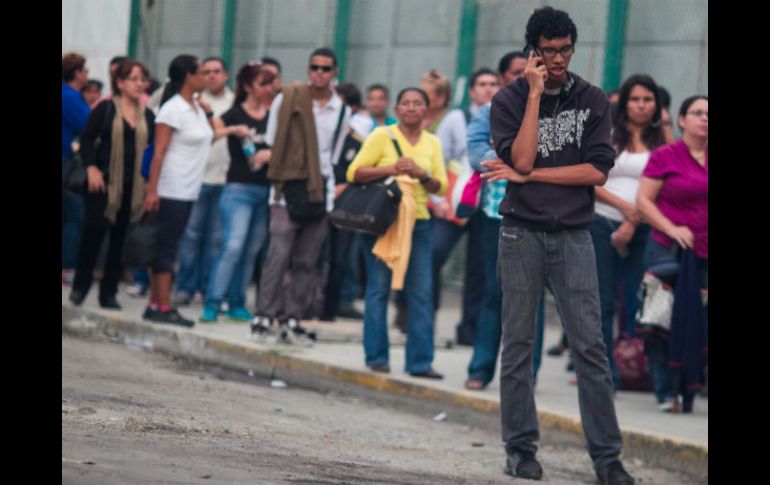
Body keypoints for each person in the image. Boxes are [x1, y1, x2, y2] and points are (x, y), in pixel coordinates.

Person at [485, 7, 635, 483]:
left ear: (573, 46)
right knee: (519, 344)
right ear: (533, 51)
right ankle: (520, 448)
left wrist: (531, 175)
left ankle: (607, 459)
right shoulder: (509, 99)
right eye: (548, 51)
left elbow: (595, 171)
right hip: (520, 232)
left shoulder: (592, 99)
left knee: (590, 345)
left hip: (574, 233)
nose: (557, 59)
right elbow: (521, 155)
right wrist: (533, 94)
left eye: (564, 49)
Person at [249, 47, 351, 341]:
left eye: (326, 68)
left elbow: (334, 154)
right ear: (309, 70)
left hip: (320, 189)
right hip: (285, 188)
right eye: (315, 67)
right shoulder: (288, 98)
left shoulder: (341, 110)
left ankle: (293, 317)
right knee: (277, 255)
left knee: (307, 260)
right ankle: (264, 315)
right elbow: (271, 140)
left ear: (335, 73)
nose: (320, 73)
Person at [347, 87, 448, 378]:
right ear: (397, 109)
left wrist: (422, 174)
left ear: (426, 111)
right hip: (383, 222)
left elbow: (440, 186)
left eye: (418, 104)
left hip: (419, 223)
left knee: (421, 293)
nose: (411, 108)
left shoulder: (432, 143)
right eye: (405, 103)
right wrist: (392, 167)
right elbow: (354, 173)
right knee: (378, 289)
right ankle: (377, 357)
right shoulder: (382, 136)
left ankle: (420, 362)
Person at [142, 54, 249, 327]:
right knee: (166, 248)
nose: (206, 77)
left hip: (190, 187)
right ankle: (162, 306)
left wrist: (229, 126)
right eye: (201, 73)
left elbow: (208, 136)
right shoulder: (172, 109)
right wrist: (152, 190)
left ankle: (155, 303)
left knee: (170, 244)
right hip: (171, 187)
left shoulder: (197, 108)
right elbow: (159, 151)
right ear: (189, 76)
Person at [464, 51, 548, 391]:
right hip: (493, 215)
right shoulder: (488, 112)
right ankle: (481, 368)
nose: (523, 76)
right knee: (494, 292)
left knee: (533, 296)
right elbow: (476, 155)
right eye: (515, 71)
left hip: (539, 215)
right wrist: (521, 163)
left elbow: (550, 159)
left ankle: (527, 374)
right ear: (502, 78)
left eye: (529, 70)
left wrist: (509, 157)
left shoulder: (550, 113)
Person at [592, 74, 667, 391]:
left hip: (647, 228)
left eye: (647, 99)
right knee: (603, 301)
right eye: (635, 99)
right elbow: (590, 179)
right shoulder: (607, 133)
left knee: (644, 300)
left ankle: (647, 373)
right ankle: (605, 373)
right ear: (624, 102)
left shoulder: (663, 139)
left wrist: (633, 220)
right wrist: (623, 210)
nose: (641, 105)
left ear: (656, 104)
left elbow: (667, 184)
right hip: (601, 220)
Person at [636, 95, 708, 413]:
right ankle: (665, 390)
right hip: (667, 250)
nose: (704, 118)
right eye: (697, 113)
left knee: (699, 321)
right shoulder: (666, 156)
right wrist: (672, 228)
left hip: (704, 252)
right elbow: (644, 201)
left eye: (709, 114)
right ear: (681, 120)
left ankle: (691, 388)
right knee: (661, 321)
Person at [69, 60, 155, 310]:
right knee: (93, 235)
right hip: (104, 183)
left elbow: (151, 149)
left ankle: (109, 292)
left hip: (133, 186)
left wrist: (149, 181)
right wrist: (92, 168)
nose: (140, 84)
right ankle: (81, 286)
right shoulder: (105, 108)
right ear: (120, 83)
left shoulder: (147, 114)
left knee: (120, 240)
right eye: (134, 79)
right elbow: (86, 139)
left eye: (143, 80)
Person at [199, 61, 277, 322]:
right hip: (237, 189)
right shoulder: (234, 113)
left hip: (265, 190)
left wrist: (271, 153)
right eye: (262, 83)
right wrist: (232, 130)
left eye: (270, 83)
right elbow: (208, 134)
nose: (268, 89)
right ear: (248, 86)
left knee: (250, 250)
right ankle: (213, 301)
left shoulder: (273, 115)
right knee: (232, 246)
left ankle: (237, 302)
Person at [420, 68, 482, 346]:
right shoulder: (457, 118)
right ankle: (424, 321)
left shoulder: (508, 116)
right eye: (482, 84)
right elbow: (437, 162)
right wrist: (437, 202)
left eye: (494, 83)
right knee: (433, 255)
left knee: (479, 270)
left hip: (487, 206)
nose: (489, 89)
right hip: (452, 203)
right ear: (471, 91)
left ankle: (469, 330)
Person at [173, 57, 234, 306]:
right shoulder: (193, 103)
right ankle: (186, 286)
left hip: (225, 178)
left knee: (216, 240)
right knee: (191, 235)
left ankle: (208, 288)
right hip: (197, 178)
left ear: (226, 75)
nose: (211, 76)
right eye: (205, 72)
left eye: (216, 71)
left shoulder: (234, 102)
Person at [62, 52, 92, 285]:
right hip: (66, 160)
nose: (87, 75)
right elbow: (87, 125)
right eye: (85, 70)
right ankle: (68, 267)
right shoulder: (70, 97)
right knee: (75, 215)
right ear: (77, 73)